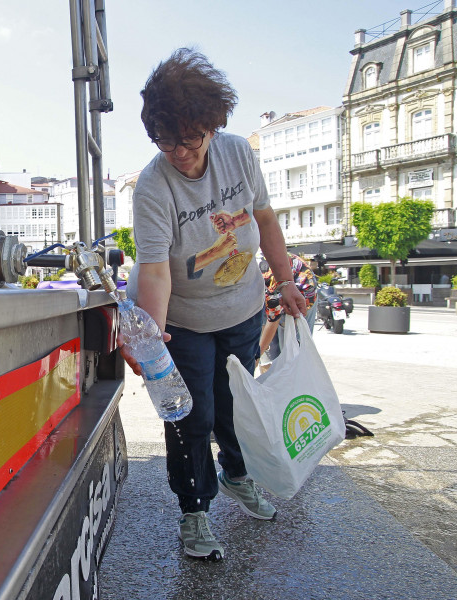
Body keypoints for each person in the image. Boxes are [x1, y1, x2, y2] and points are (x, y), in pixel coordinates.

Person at [120, 48, 307, 561]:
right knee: (190, 416)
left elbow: (265, 219)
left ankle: (237, 475)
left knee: (235, 405)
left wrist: (285, 279)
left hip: (244, 307)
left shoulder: (237, 154)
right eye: (165, 141)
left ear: (212, 124)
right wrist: (154, 338)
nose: (179, 152)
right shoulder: (153, 187)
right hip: (188, 320)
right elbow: (155, 269)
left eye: (190, 139)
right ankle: (194, 511)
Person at [259, 254, 318, 371]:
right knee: (267, 355)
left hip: (300, 293)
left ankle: (295, 385)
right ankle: (268, 385)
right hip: (272, 292)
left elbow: (272, 322)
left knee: (292, 352)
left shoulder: (265, 277)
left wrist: (255, 357)